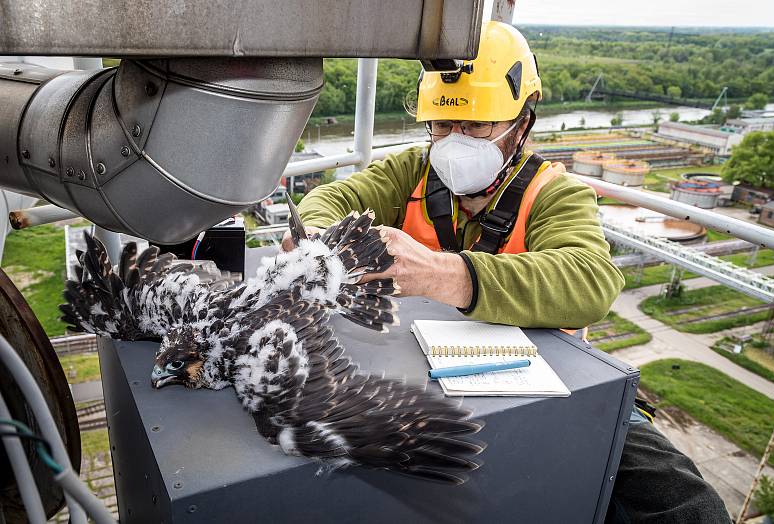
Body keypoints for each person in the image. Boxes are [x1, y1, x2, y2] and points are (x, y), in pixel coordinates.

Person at [284, 20, 729, 523]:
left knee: (683, 505)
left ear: (522, 123)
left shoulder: (555, 194)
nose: (454, 141)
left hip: (551, 378)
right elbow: (334, 197)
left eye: (477, 126)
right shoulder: (411, 171)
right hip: (419, 368)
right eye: (443, 125)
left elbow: (591, 281)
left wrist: (444, 274)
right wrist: (319, 237)